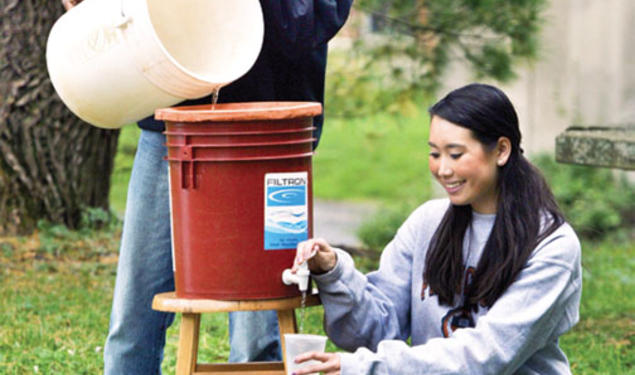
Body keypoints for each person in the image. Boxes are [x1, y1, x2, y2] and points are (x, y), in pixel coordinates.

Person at [62, 0, 353, 373]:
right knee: (134, 321)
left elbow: (310, 22)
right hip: (174, 125)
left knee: (258, 336)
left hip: (271, 133)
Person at [291, 83, 582, 374]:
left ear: (502, 150)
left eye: (455, 155)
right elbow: (375, 330)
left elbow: (486, 356)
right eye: (435, 154)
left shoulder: (551, 245)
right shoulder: (427, 224)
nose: (443, 169)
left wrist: (364, 368)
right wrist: (332, 272)